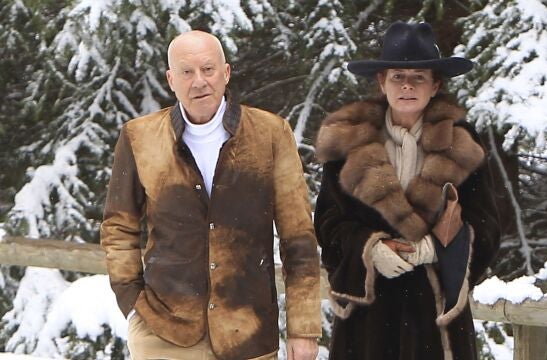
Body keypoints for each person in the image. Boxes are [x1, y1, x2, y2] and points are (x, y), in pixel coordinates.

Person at [101, 30, 320, 360]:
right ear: (171, 79)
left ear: (226, 73)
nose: (199, 82)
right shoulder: (140, 138)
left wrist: (303, 328)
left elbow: (298, 237)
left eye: (208, 69)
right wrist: (131, 301)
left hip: (247, 332)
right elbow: (118, 228)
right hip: (164, 332)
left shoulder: (271, 134)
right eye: (187, 72)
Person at [314, 21, 501, 360]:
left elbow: (487, 227)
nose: (407, 86)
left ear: (435, 86)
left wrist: (436, 247)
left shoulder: (463, 145)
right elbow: (329, 225)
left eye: (419, 77)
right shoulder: (347, 147)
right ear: (381, 82)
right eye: (398, 76)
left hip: (435, 318)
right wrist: (370, 249)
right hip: (367, 325)